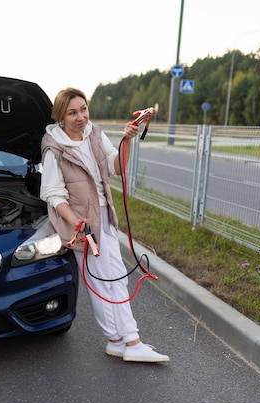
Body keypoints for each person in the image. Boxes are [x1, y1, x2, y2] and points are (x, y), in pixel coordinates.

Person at [40, 87, 169, 363]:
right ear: (60, 117)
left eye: (83, 109)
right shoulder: (54, 147)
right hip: (81, 222)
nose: (80, 117)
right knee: (107, 278)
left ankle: (117, 340)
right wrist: (77, 224)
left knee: (108, 278)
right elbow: (53, 194)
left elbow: (117, 166)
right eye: (72, 112)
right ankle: (130, 341)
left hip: (103, 215)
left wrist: (128, 139)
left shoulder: (95, 134)